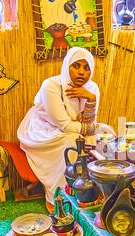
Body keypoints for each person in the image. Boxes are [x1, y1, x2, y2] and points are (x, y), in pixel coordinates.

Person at [18, 47, 115, 212]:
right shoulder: (51, 86)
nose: (81, 72)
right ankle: (59, 194)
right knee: (72, 140)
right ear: (66, 66)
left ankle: (96, 187)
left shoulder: (92, 89)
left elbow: (90, 121)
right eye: (76, 66)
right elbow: (65, 125)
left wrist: (90, 98)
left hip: (76, 128)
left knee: (109, 133)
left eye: (86, 68)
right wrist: (90, 130)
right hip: (43, 129)